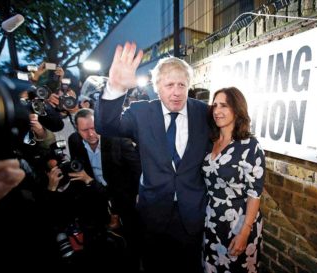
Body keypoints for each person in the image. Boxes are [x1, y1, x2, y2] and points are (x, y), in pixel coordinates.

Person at [94, 41, 210, 273]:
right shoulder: (141, 112)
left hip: (192, 215)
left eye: (182, 85)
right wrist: (115, 88)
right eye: (169, 85)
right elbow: (105, 125)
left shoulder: (204, 112)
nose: (176, 92)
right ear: (157, 87)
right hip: (153, 213)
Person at [69, 108, 142, 272]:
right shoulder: (74, 141)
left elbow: (137, 173)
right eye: (84, 130)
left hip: (123, 199)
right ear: (76, 130)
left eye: (94, 128)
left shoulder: (119, 140)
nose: (91, 134)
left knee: (129, 249)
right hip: (94, 202)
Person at [201, 87, 265, 272]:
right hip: (211, 219)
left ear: (237, 110)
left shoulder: (250, 146)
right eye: (215, 106)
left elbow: (255, 193)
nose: (217, 111)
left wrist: (244, 231)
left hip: (239, 222)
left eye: (224, 106)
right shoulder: (211, 141)